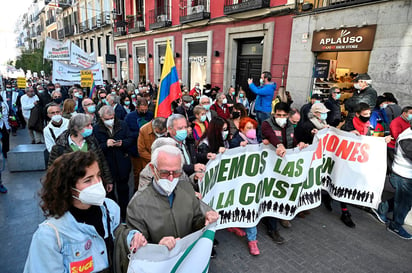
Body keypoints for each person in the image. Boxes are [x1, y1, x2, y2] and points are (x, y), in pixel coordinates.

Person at [23, 151, 142, 272]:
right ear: (68, 187)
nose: (98, 183)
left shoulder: (110, 208)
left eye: (98, 175)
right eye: (88, 180)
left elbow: (117, 234)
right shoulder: (49, 235)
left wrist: (131, 237)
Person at [126, 145, 219, 251]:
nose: (171, 178)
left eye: (176, 173)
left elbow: (195, 220)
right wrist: (158, 247)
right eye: (164, 173)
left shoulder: (186, 188)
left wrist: (205, 220)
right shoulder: (138, 204)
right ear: (153, 169)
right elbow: (138, 249)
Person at [261, 102, 306, 236]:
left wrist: (300, 144)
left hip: (285, 166)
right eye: (278, 114)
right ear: (274, 114)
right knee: (272, 195)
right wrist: (279, 145)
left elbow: (292, 141)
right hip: (271, 166)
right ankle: (272, 228)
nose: (281, 117)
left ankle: (282, 215)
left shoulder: (290, 126)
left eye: (284, 115)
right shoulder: (266, 124)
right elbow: (271, 136)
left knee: (284, 191)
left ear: (288, 115)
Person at [48, 114, 113, 193]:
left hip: (94, 184)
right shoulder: (60, 147)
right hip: (72, 188)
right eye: (87, 126)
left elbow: (102, 161)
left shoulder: (92, 141)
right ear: (76, 128)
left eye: (90, 125)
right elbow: (52, 170)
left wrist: (108, 180)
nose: (91, 128)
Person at [228, 117, 262, 255]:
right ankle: (251, 240)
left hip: (253, 180)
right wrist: (238, 149)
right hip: (240, 181)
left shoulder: (256, 140)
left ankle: (247, 235)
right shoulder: (236, 141)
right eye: (248, 128)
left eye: (253, 127)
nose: (252, 130)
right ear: (241, 129)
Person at [93, 106, 133, 220]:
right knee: (109, 192)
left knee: (123, 191)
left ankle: (125, 214)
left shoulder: (122, 124)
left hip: (122, 163)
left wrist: (122, 143)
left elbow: (130, 139)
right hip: (107, 165)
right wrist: (106, 144)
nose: (110, 120)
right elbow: (95, 148)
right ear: (101, 117)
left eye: (112, 117)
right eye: (107, 118)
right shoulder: (96, 129)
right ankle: (112, 215)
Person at [375, 126, 412, 239]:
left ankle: (382, 210)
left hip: (404, 174)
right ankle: (395, 225)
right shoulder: (407, 138)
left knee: (398, 198)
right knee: (404, 202)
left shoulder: (408, 134)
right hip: (404, 175)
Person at [125, 98, 154, 189]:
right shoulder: (129, 117)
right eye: (142, 110)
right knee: (138, 173)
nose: (144, 111)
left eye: (145, 109)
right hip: (135, 150)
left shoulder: (151, 115)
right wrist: (141, 133)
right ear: (137, 107)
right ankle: (137, 190)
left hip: (149, 148)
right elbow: (127, 133)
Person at [136, 117, 167, 190]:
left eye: (163, 133)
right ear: (154, 128)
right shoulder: (144, 130)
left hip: (165, 165)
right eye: (160, 133)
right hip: (149, 164)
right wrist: (156, 160)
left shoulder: (168, 129)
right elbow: (141, 151)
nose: (162, 134)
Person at [387, 106, 412, 173]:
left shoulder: (408, 122)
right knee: (395, 165)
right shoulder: (396, 122)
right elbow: (396, 136)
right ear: (404, 113)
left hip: (405, 145)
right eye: (410, 113)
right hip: (394, 147)